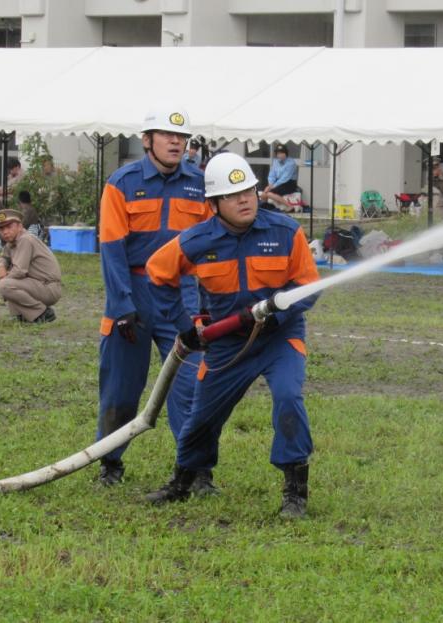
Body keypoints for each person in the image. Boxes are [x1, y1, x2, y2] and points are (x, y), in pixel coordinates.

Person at [146, 153, 320, 518]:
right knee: (202, 415)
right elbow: (158, 273)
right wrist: (183, 325)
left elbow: (308, 285)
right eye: (233, 194)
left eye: (249, 191)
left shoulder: (285, 232)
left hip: (279, 339)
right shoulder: (196, 241)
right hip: (227, 344)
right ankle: (184, 480)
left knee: (289, 397)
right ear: (213, 204)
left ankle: (295, 491)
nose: (245, 200)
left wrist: (275, 314)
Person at [95, 106, 213, 489]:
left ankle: (195, 472)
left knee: (191, 386)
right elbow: (111, 248)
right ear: (147, 141)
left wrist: (209, 302)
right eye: (167, 135)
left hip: (182, 296)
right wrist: (121, 306)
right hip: (134, 294)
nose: (176, 142)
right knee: (121, 389)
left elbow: (214, 246)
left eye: (182, 137)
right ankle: (109, 464)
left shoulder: (201, 185)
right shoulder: (121, 182)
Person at [0, 209, 61, 323]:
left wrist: (4, 280)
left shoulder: (25, 240)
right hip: (38, 284)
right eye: (1, 229)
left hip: (48, 287)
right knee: (7, 282)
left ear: (20, 226)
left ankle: (42, 313)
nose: (5, 232)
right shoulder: (13, 242)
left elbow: (19, 271)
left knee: (6, 285)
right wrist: (1, 266)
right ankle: (22, 315)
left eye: (9, 227)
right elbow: (4, 257)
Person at [260, 144, 298, 211]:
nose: (279, 155)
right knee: (263, 194)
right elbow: (272, 175)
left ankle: (290, 206)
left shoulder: (291, 163)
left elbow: (285, 178)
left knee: (269, 193)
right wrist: (270, 184)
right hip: (277, 182)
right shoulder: (275, 162)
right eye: (278, 153)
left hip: (289, 183)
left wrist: (272, 186)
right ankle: (264, 209)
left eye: (282, 153)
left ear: (286, 153)